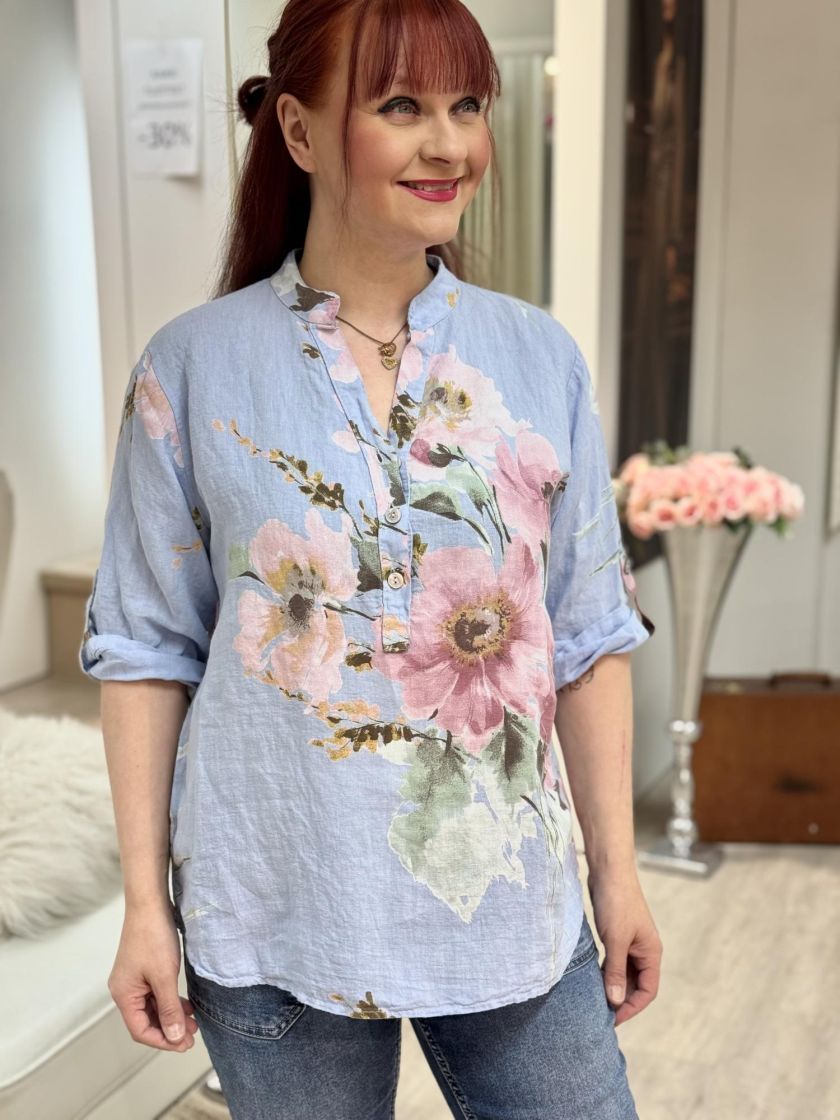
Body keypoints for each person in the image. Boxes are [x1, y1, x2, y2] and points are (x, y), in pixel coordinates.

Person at [79, 0, 662, 1116]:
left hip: (510, 902)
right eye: (401, 106)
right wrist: (145, 905)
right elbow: (147, 652)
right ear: (299, 131)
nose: (449, 144)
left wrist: (617, 873)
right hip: (275, 900)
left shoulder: (540, 359)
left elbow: (588, 637)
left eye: (467, 105)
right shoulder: (191, 368)